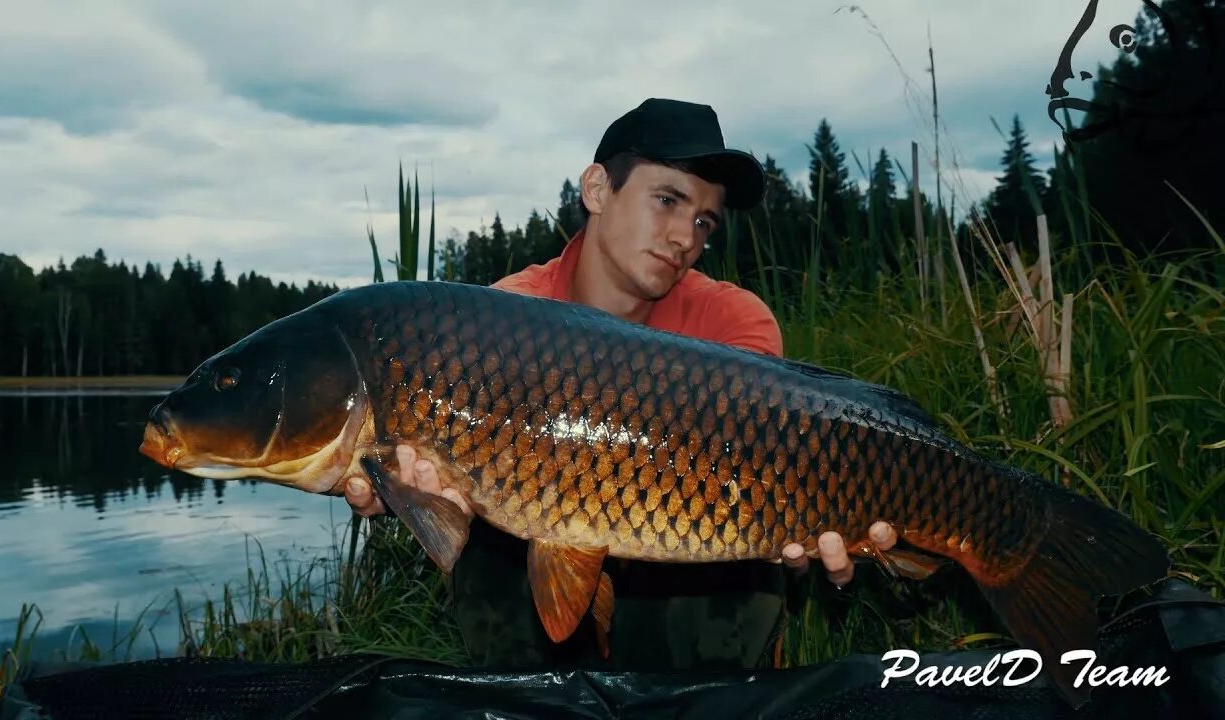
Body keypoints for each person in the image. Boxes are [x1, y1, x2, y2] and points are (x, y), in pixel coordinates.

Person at [346, 98, 897, 670]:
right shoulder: (507, 317)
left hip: (686, 538)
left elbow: (762, 463)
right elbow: (432, 451)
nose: (686, 235)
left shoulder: (734, 322)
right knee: (492, 542)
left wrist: (828, 511)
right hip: (541, 545)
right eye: (668, 201)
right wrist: (403, 485)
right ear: (598, 190)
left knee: (736, 567)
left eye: (705, 220)